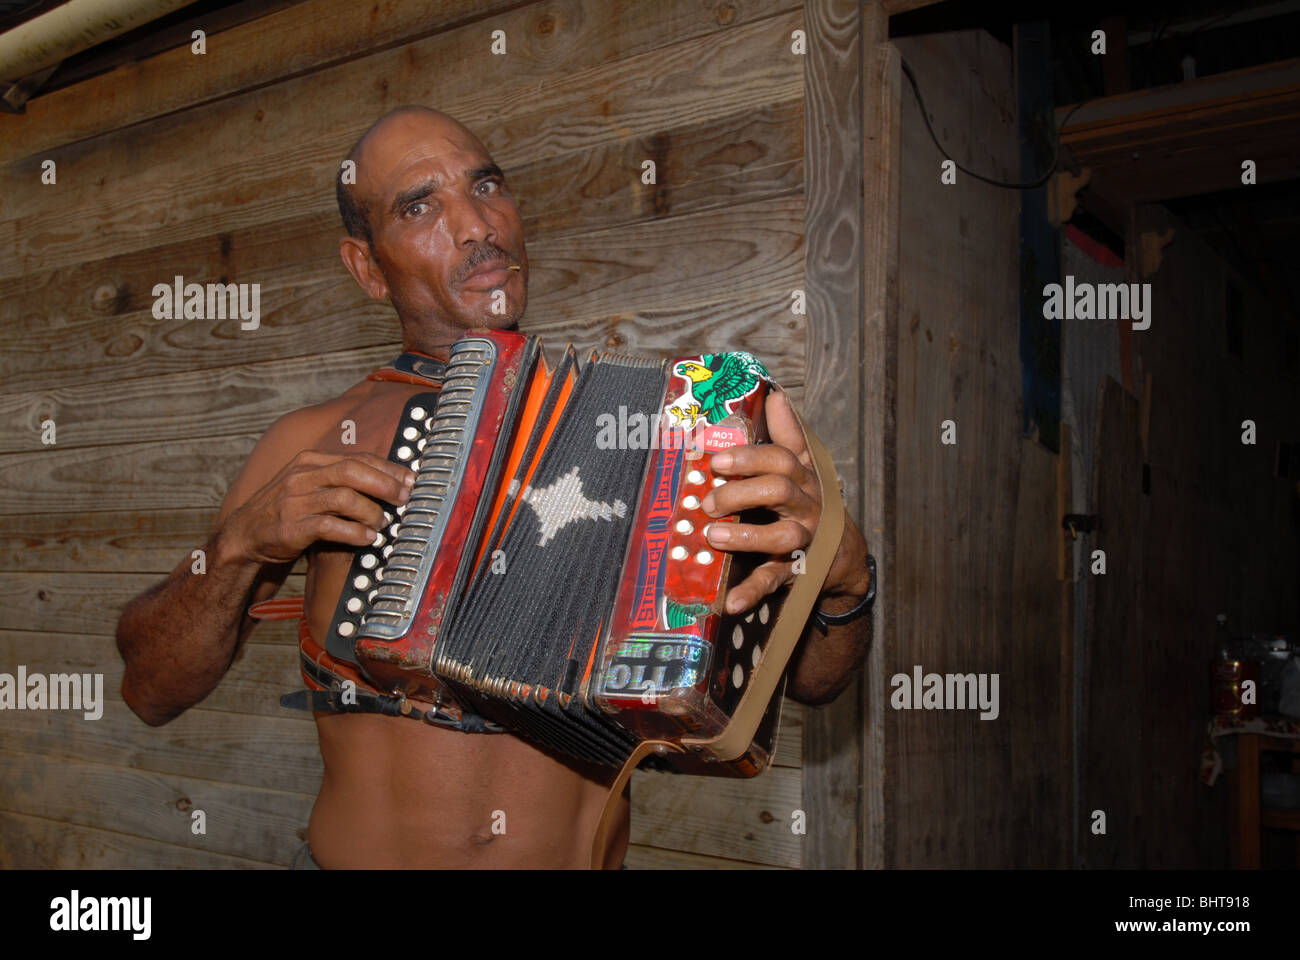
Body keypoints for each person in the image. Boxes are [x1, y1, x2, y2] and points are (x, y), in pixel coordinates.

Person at [115, 107, 875, 869]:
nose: (476, 224)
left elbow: (812, 682)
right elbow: (151, 690)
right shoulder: (311, 442)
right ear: (368, 268)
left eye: (486, 187)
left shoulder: (672, 436)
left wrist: (842, 578)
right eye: (419, 207)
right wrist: (238, 549)